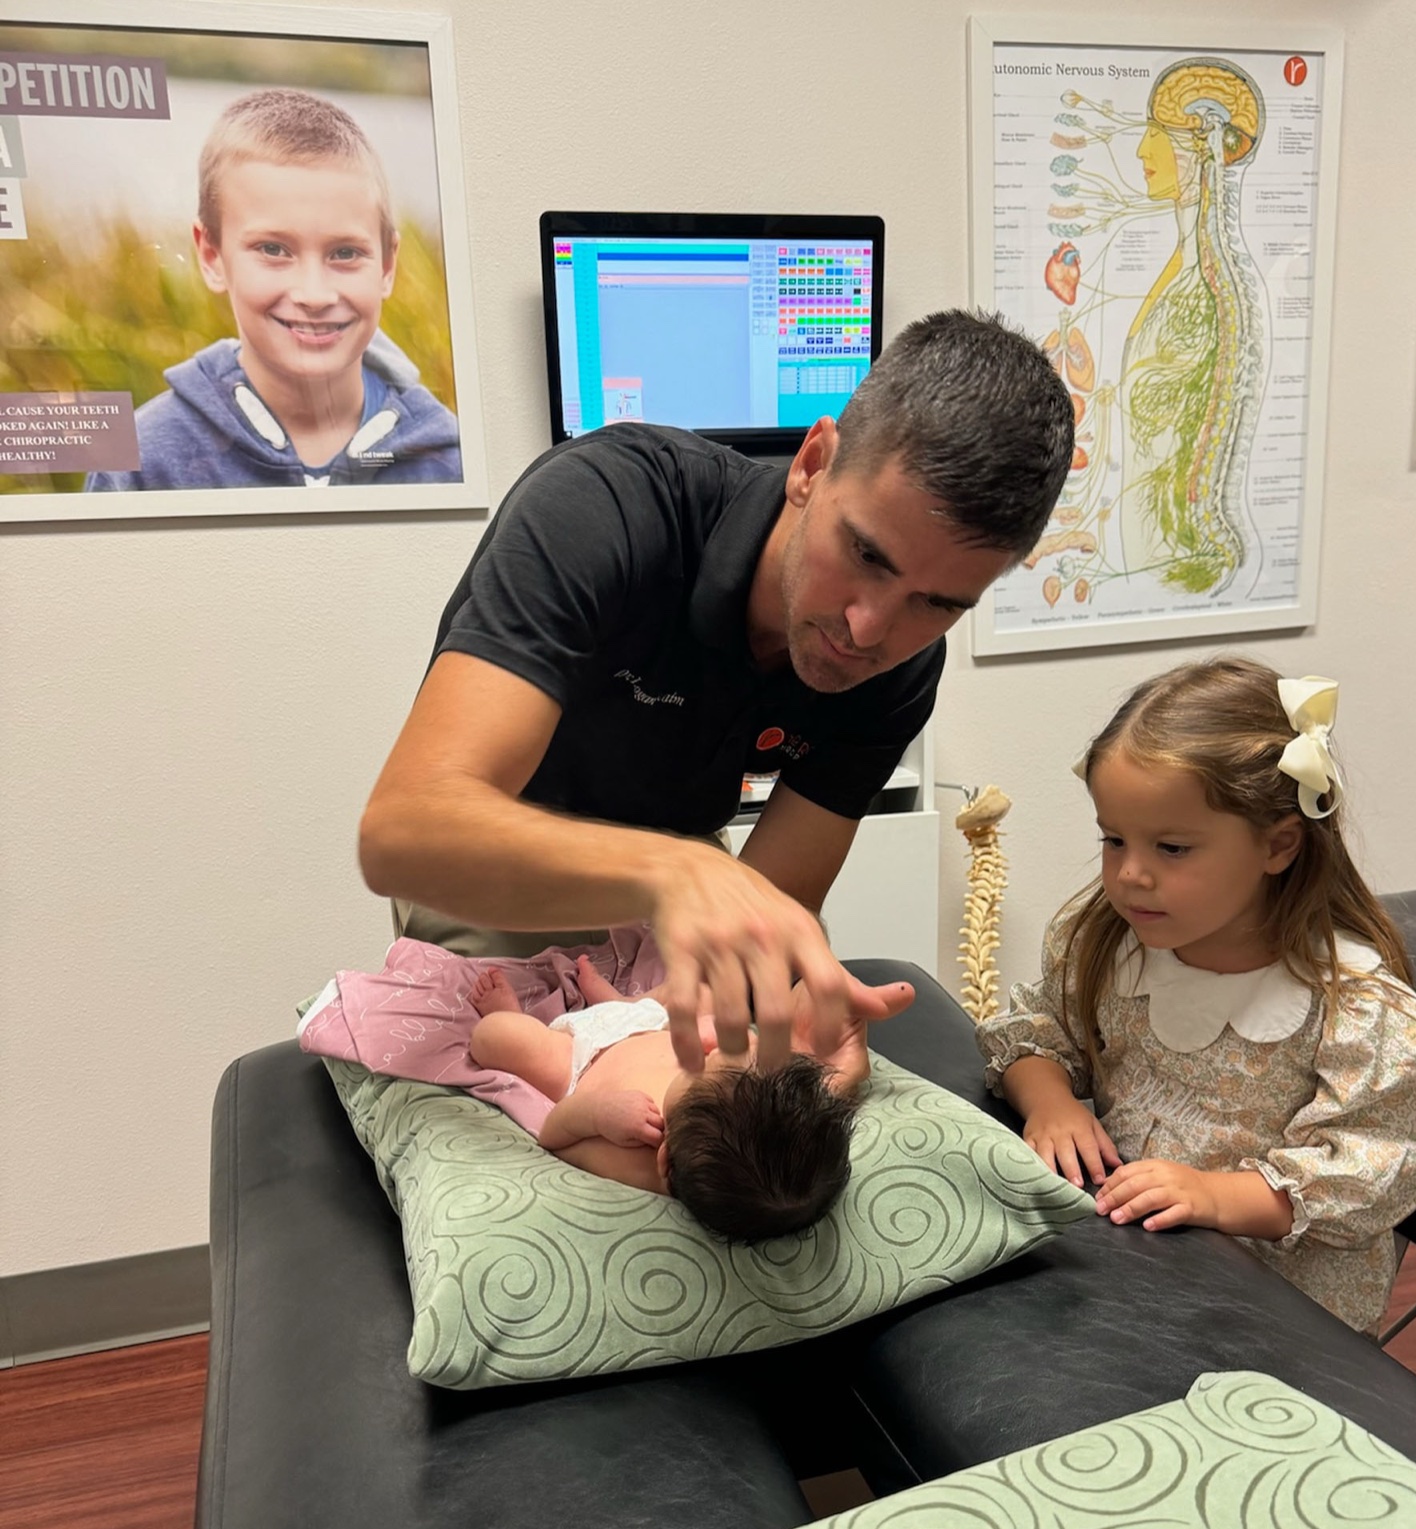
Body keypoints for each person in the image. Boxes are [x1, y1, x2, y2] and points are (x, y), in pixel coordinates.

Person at [360, 309, 1077, 1076]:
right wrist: (676, 872)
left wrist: (796, 1031)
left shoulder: (899, 669)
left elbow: (777, 898)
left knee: (726, 1095)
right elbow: (404, 834)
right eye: (866, 553)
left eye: (937, 604)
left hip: (690, 874)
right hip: (500, 852)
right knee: (524, 1088)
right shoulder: (604, 507)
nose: (871, 629)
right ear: (812, 463)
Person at [975, 657, 1416, 1334]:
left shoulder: (1357, 1011)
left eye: (1171, 847)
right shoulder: (1108, 947)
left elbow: (1374, 1168)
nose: (1129, 874)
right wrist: (1050, 1101)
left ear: (1279, 845)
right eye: (1113, 839)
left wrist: (1215, 1194)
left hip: (1278, 1320)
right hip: (1137, 1273)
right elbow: (1037, 1029)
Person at [86, 88, 461, 492]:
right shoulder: (142, 464)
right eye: (273, 249)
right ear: (212, 256)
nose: (314, 295)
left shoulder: (450, 462)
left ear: (387, 264)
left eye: (345, 253)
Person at [466, 955, 882, 1239]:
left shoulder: (643, 1156)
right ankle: (617, 1002)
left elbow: (554, 1135)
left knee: (494, 1040)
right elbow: (794, 1117)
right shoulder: (754, 1119)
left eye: (707, 1068)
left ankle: (514, 1013)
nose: (718, 1053)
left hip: (583, 1054)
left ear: (665, 1156)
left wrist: (596, 1114)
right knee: (704, 993)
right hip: (652, 1024)